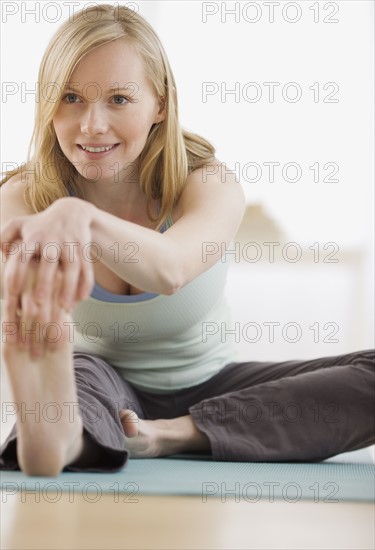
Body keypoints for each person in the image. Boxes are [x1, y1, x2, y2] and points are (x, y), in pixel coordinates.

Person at [0, 4, 373, 477]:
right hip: (98, 377)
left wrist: (78, 216)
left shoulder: (208, 183)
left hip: (215, 385)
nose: (91, 124)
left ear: (160, 103)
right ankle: (53, 437)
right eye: (71, 97)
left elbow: (170, 269)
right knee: (79, 380)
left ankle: (175, 433)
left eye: (118, 99)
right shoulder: (22, 196)